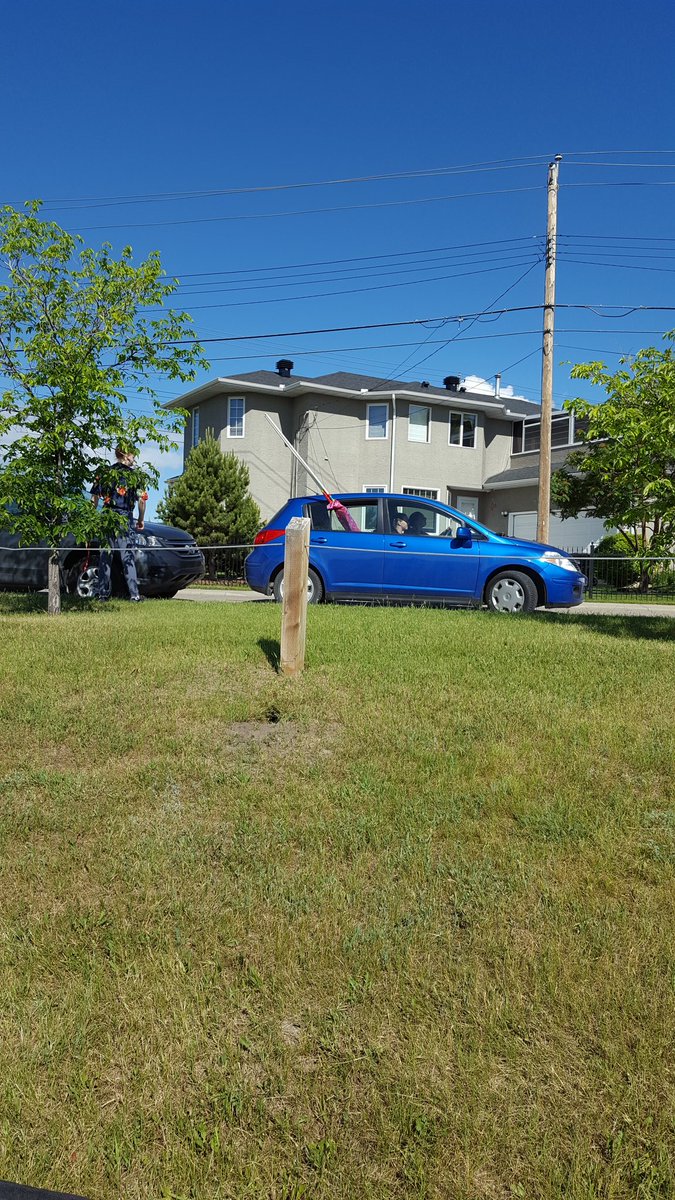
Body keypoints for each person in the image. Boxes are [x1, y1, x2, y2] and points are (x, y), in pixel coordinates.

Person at [90, 445, 149, 601]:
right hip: (124, 516)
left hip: (107, 516)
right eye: (133, 455)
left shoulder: (105, 473)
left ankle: (102, 594)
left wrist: (92, 517)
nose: (134, 458)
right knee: (127, 555)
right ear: (125, 455)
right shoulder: (135, 477)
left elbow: (94, 498)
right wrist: (141, 519)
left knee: (105, 554)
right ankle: (134, 595)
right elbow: (142, 500)